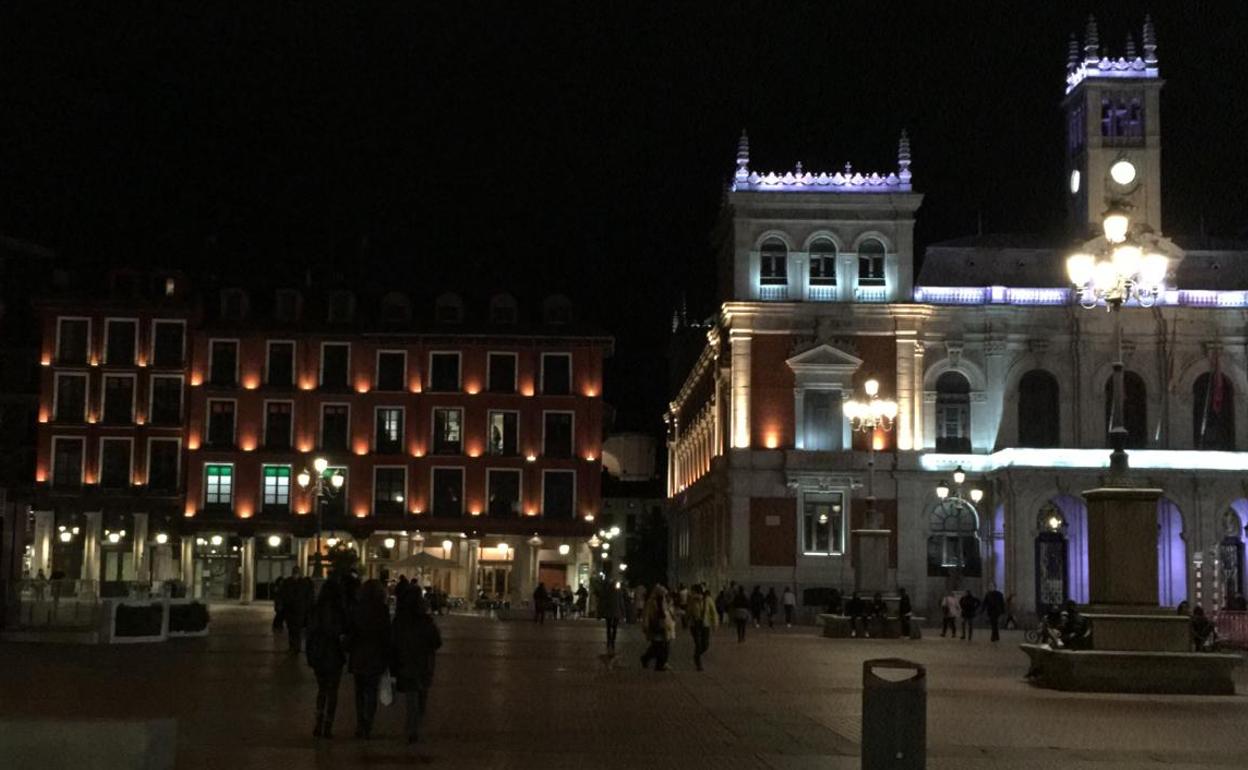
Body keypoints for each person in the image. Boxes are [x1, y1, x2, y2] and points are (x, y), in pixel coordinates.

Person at [391, 589, 442, 744]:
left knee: (411, 696)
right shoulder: (426, 621)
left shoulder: (400, 621)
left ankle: (412, 727)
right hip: (423, 664)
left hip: (406, 663)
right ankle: (415, 725)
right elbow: (437, 642)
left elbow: (393, 643)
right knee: (421, 696)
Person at [347, 579, 391, 739]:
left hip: (359, 654)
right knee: (372, 692)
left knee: (359, 692)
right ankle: (368, 724)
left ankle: (360, 723)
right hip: (376, 656)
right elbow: (386, 634)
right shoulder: (382, 610)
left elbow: (351, 632)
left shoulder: (357, 609)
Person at [306, 579, 348, 738]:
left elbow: (310, 633)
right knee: (333, 691)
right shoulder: (339, 611)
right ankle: (328, 725)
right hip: (334, 655)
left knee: (322, 689)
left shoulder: (316, 609)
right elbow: (342, 632)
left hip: (319, 654)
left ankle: (318, 722)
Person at [639, 585, 676, 671]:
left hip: (666, 626)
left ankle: (659, 663)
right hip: (656, 627)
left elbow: (670, 612)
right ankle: (650, 660)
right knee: (657, 647)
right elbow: (646, 615)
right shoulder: (651, 602)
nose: (663, 596)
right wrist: (646, 626)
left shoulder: (667, 601)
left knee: (665, 646)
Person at [280, 567, 313, 653]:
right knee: (292, 629)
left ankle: (296, 647)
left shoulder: (303, 583)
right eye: (295, 572)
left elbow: (308, 597)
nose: (295, 574)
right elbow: (283, 595)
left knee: (296, 630)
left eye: (296, 572)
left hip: (298, 610)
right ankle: (293, 646)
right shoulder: (289, 582)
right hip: (292, 609)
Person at [687, 584, 719, 670]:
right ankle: (698, 663)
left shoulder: (708, 599)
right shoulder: (691, 600)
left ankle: (696, 656)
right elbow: (688, 612)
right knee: (698, 644)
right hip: (694, 625)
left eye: (693, 591)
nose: (691, 593)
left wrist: (715, 623)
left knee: (705, 645)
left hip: (705, 624)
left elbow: (713, 612)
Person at [599, 580, 628, 652]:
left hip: (608, 612)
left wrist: (601, 612)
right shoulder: (619, 592)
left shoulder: (607, 592)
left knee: (608, 627)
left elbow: (604, 603)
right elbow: (621, 603)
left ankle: (609, 640)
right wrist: (623, 612)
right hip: (616, 612)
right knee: (614, 627)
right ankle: (613, 640)